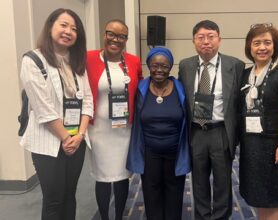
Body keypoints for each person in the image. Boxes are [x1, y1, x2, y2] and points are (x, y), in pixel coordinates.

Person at [19, 8, 93, 220]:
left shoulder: (76, 62)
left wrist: (79, 135)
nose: (69, 31)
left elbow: (87, 101)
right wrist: (66, 138)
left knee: (70, 195)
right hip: (48, 143)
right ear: (50, 26)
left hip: (76, 140)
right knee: (53, 200)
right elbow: (44, 110)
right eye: (64, 25)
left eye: (74, 28)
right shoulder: (33, 60)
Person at [178, 20, 245, 220]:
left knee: (223, 182)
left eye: (211, 37)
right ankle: (202, 216)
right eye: (201, 37)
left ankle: (221, 217)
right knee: (198, 181)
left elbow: (240, 103)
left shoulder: (236, 65)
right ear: (194, 41)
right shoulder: (186, 65)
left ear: (219, 40)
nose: (206, 41)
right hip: (196, 132)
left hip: (221, 132)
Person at [239, 23, 278, 220]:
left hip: (275, 146)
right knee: (259, 196)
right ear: (249, 47)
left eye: (267, 42)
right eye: (257, 43)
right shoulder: (245, 74)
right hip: (251, 145)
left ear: (275, 46)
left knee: (274, 196)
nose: (262, 47)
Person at [86, 19, 143, 220]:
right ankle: (104, 216)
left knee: (121, 176)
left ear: (126, 39)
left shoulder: (134, 61)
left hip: (124, 129)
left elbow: (140, 89)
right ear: (104, 34)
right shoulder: (89, 58)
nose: (115, 39)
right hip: (99, 130)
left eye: (121, 36)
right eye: (111, 34)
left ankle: (119, 216)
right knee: (102, 177)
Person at [126, 47, 191, 220]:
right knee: (151, 193)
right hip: (149, 152)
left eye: (164, 65)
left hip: (175, 152)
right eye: (155, 65)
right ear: (148, 66)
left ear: (170, 67)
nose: (159, 70)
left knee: (175, 193)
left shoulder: (181, 89)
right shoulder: (140, 89)